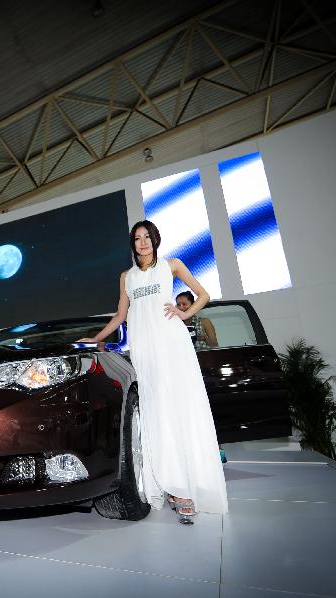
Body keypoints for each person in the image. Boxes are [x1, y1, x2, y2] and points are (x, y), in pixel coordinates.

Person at [78, 220, 228, 524]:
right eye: (137, 238)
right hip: (145, 349)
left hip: (173, 344)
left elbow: (204, 294)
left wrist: (184, 313)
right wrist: (96, 339)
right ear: (132, 244)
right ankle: (170, 483)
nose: (143, 242)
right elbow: (121, 315)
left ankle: (186, 487)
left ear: (155, 239)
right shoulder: (126, 277)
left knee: (180, 408)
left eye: (147, 237)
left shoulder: (172, 265)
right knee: (155, 412)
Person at [176, 291, 227, 464]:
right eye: (179, 305)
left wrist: (202, 336)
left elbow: (215, 344)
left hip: (204, 370)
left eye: (184, 304)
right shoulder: (174, 323)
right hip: (183, 372)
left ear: (193, 305)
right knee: (189, 412)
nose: (181, 307)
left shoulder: (204, 322)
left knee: (210, 410)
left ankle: (219, 448)